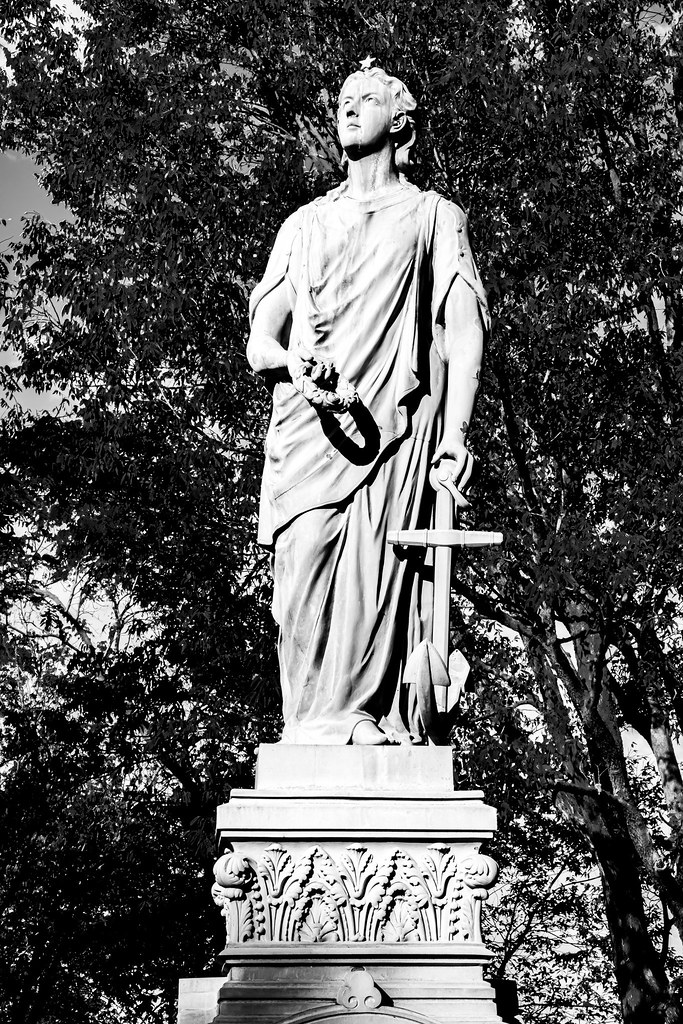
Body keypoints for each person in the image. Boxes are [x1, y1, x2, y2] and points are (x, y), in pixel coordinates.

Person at [246, 62, 489, 745]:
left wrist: (458, 434)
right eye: (342, 102)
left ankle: (358, 715)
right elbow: (260, 340)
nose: (347, 109)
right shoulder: (302, 225)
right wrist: (295, 362)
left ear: (400, 122)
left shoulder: (434, 217)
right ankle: (312, 724)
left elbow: (463, 328)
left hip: (391, 431)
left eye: (366, 100)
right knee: (300, 578)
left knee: (373, 575)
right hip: (306, 432)